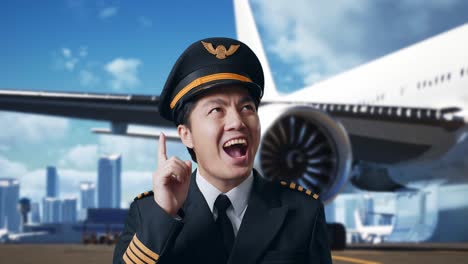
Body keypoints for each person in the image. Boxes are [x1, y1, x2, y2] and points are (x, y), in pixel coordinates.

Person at [113, 37, 332, 264]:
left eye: (247, 107)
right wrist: (163, 217)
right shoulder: (149, 212)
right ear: (186, 134)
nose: (237, 122)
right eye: (217, 109)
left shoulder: (303, 212)